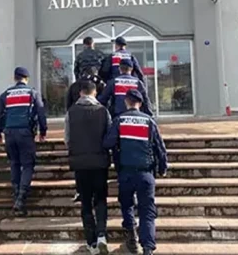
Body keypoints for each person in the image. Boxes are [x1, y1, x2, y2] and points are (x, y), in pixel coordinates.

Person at [103, 89, 168, 255]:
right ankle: (148, 248)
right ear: (140, 103)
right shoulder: (149, 121)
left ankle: (131, 238)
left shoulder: (119, 120)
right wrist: (162, 168)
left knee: (127, 205)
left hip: (125, 172)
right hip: (146, 173)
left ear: (126, 102)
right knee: (147, 211)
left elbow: (108, 143)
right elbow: (160, 148)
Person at [0, 67, 47, 217]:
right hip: (25, 133)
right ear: (26, 78)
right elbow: (41, 113)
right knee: (28, 164)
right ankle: (21, 198)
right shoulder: (32, 93)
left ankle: (16, 193)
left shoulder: (6, 94)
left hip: (9, 133)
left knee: (14, 163)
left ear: (15, 78)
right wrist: (43, 132)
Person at [65, 80, 112, 255]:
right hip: (100, 163)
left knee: (85, 203)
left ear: (80, 93)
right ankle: (101, 235)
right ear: (94, 93)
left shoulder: (71, 112)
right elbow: (109, 136)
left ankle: (91, 243)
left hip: (80, 164)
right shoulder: (103, 111)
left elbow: (67, 139)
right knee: (100, 199)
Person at [66, 66, 107, 203]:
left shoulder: (74, 86)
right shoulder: (102, 107)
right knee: (100, 195)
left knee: (84, 193)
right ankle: (101, 221)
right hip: (98, 152)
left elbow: (67, 136)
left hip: (78, 138)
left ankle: (80, 194)